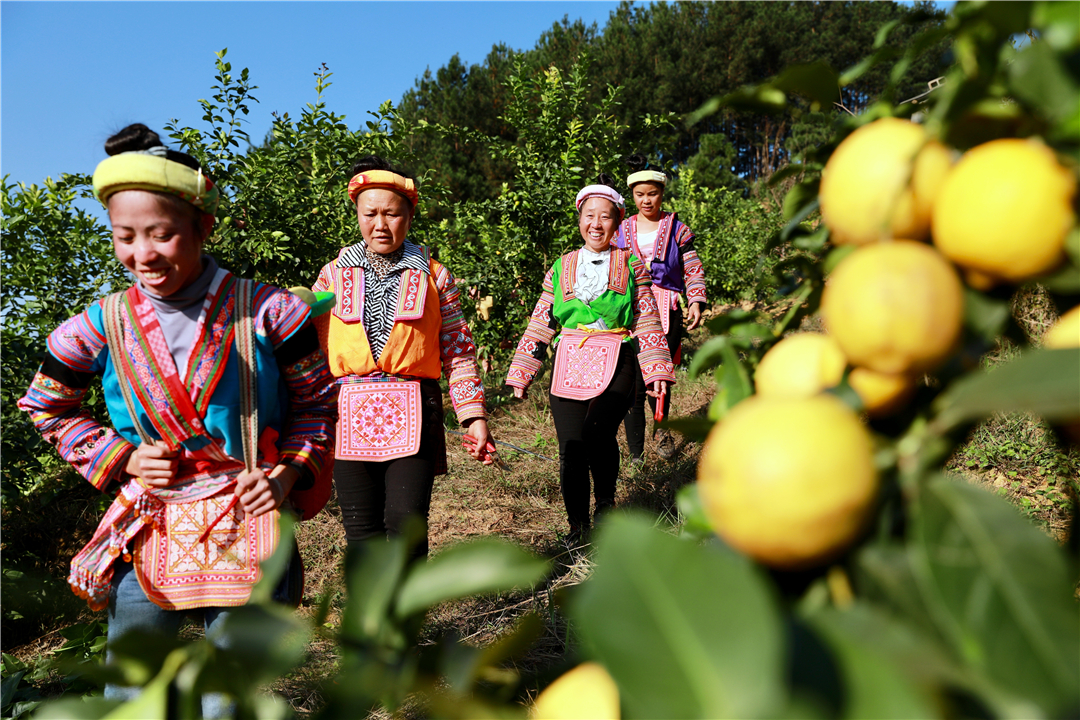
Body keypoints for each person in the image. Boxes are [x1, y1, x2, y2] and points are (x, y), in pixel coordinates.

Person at [17, 124, 337, 714]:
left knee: (227, 697)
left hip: (245, 519)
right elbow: (45, 403)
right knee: (133, 691)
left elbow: (319, 404)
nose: (143, 254)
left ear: (203, 227)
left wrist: (286, 476)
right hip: (151, 519)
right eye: (125, 237)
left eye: (161, 235)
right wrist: (124, 456)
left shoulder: (271, 313)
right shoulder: (97, 325)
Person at [311, 155, 491, 559]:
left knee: (405, 521)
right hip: (348, 413)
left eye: (391, 214)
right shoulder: (331, 276)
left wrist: (474, 416)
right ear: (356, 214)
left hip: (415, 408)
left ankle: (409, 621)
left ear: (409, 216)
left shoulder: (433, 275)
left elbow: (458, 349)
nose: (380, 224)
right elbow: (314, 353)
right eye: (370, 213)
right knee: (362, 530)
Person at [505, 178, 675, 543]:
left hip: (618, 357)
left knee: (597, 433)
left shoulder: (630, 264)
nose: (596, 224)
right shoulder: (560, 266)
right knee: (571, 447)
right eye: (589, 216)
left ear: (618, 222)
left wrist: (657, 367)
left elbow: (646, 317)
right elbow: (541, 320)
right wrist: (522, 371)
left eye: (605, 217)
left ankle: (606, 506)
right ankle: (577, 527)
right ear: (579, 219)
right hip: (570, 360)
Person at [616, 154, 708, 462]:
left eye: (652, 193)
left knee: (660, 375)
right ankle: (635, 452)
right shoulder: (621, 230)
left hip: (666, 307)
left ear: (661, 194)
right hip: (630, 310)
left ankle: (662, 430)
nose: (646, 200)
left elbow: (692, 267)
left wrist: (695, 299)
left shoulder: (677, 229)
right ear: (632, 196)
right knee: (633, 381)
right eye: (640, 194)